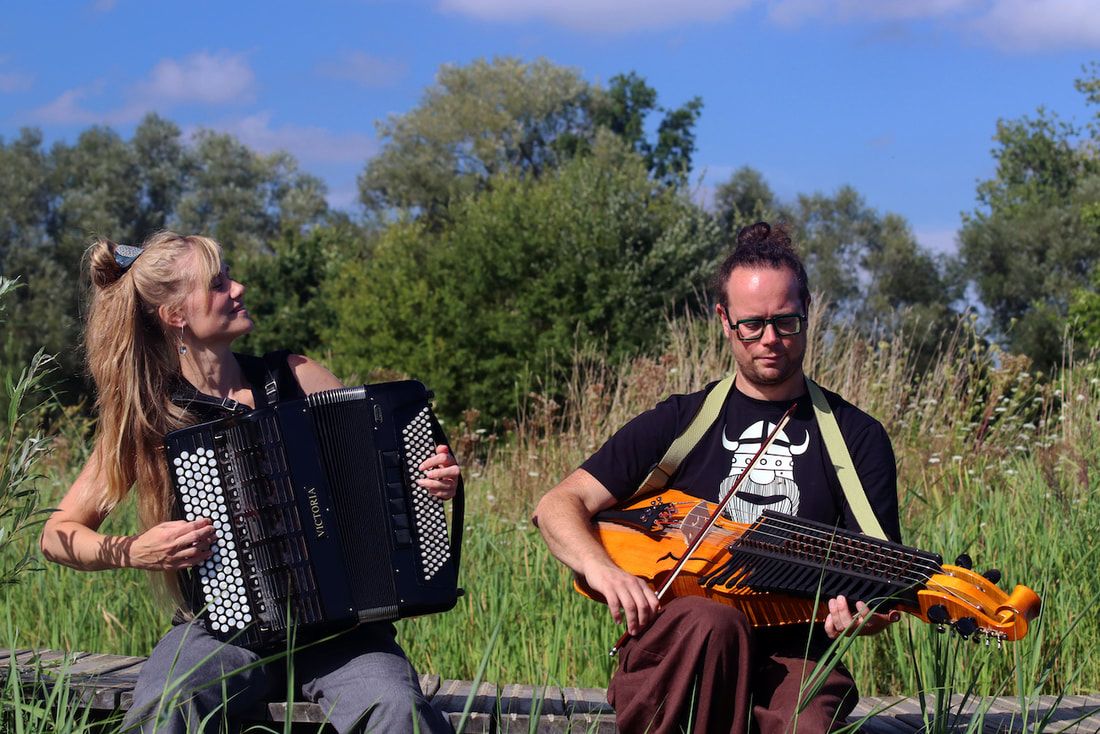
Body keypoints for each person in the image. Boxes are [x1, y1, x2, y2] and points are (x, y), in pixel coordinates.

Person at [39, 232, 458, 734]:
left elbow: (383, 470)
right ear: (175, 315)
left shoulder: (296, 376)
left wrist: (428, 478)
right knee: (166, 702)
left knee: (396, 707)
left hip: (341, 632)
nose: (238, 287)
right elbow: (57, 534)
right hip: (221, 633)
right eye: (218, 284)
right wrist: (133, 550)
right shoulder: (151, 419)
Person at [534, 221, 903, 733]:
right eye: (752, 324)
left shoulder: (857, 437)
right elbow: (557, 505)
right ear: (724, 320)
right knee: (713, 621)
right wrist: (605, 571)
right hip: (681, 649)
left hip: (794, 652)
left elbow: (880, 579)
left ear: (808, 313)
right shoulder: (679, 420)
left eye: (786, 322)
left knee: (809, 724)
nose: (770, 339)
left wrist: (868, 616)